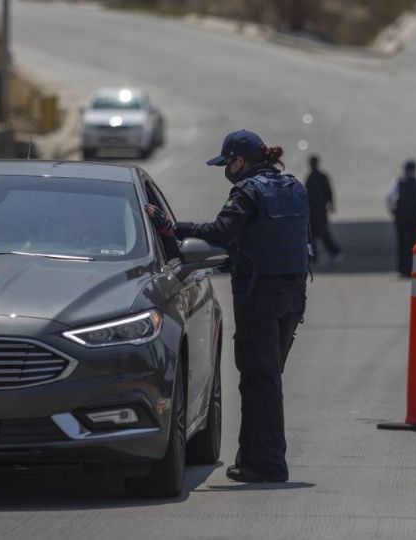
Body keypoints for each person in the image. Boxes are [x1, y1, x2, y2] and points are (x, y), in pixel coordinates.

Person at [147, 129, 308, 483]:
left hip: (259, 298)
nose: (226, 171)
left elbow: (223, 231)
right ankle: (256, 459)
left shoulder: (247, 192)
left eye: (227, 163)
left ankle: (265, 465)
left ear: (241, 160)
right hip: (294, 297)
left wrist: (173, 228)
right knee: (267, 380)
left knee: (258, 381)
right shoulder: (294, 188)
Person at [386, 159, 416, 277]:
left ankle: (402, 269)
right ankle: (411, 268)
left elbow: (389, 196)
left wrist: (391, 209)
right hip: (415, 215)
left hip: (400, 215)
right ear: (415, 170)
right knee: (412, 242)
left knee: (401, 242)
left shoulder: (397, 182)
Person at [305, 154, 343, 263]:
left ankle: (336, 252)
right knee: (311, 235)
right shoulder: (310, 177)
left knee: (323, 233)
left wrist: (331, 205)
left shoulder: (321, 177)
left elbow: (329, 191)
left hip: (320, 210)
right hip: (312, 211)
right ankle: (313, 256)